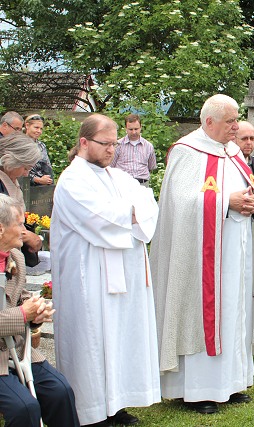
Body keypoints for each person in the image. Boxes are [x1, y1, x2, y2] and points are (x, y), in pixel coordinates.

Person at [151, 94, 254, 414]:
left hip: (236, 251)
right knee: (205, 313)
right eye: (231, 121)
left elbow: (249, 188)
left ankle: (232, 383)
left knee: (234, 312)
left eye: (236, 120)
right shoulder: (188, 151)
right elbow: (181, 201)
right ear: (209, 122)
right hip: (200, 258)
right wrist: (225, 203)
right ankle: (199, 390)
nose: (237, 127)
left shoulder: (231, 151)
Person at [51, 114, 160, 426]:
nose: (113, 150)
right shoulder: (72, 180)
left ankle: (117, 403)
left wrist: (134, 213)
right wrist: (132, 214)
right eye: (106, 144)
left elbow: (146, 201)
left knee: (120, 336)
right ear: (84, 142)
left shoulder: (115, 176)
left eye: (115, 143)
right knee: (92, 339)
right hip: (88, 277)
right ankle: (91, 409)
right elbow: (100, 217)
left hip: (120, 275)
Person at [0, 194, 80, 427]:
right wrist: (24, 314)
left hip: (17, 348)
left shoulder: (14, 256)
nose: (24, 230)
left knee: (60, 390)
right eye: (19, 223)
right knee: (24, 408)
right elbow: (20, 311)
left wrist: (36, 314)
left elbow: (20, 298)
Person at [0, 133, 43, 266]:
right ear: (10, 161)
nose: (26, 173)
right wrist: (28, 236)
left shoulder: (13, 182)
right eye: (25, 167)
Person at [110, 114, 157, 186]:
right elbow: (111, 166)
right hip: (122, 184)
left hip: (142, 184)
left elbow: (151, 167)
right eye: (130, 129)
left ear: (141, 127)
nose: (133, 132)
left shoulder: (148, 146)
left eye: (136, 129)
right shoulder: (118, 145)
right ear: (126, 128)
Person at [24, 114, 54, 186]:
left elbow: (48, 167)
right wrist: (39, 180)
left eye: (41, 129)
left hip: (43, 189)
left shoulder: (41, 145)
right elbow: (18, 169)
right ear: (27, 125)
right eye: (36, 127)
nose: (39, 131)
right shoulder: (20, 144)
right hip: (25, 187)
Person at [236, 121, 254, 186]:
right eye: (244, 139)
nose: (249, 142)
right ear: (233, 139)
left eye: (252, 139)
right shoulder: (226, 163)